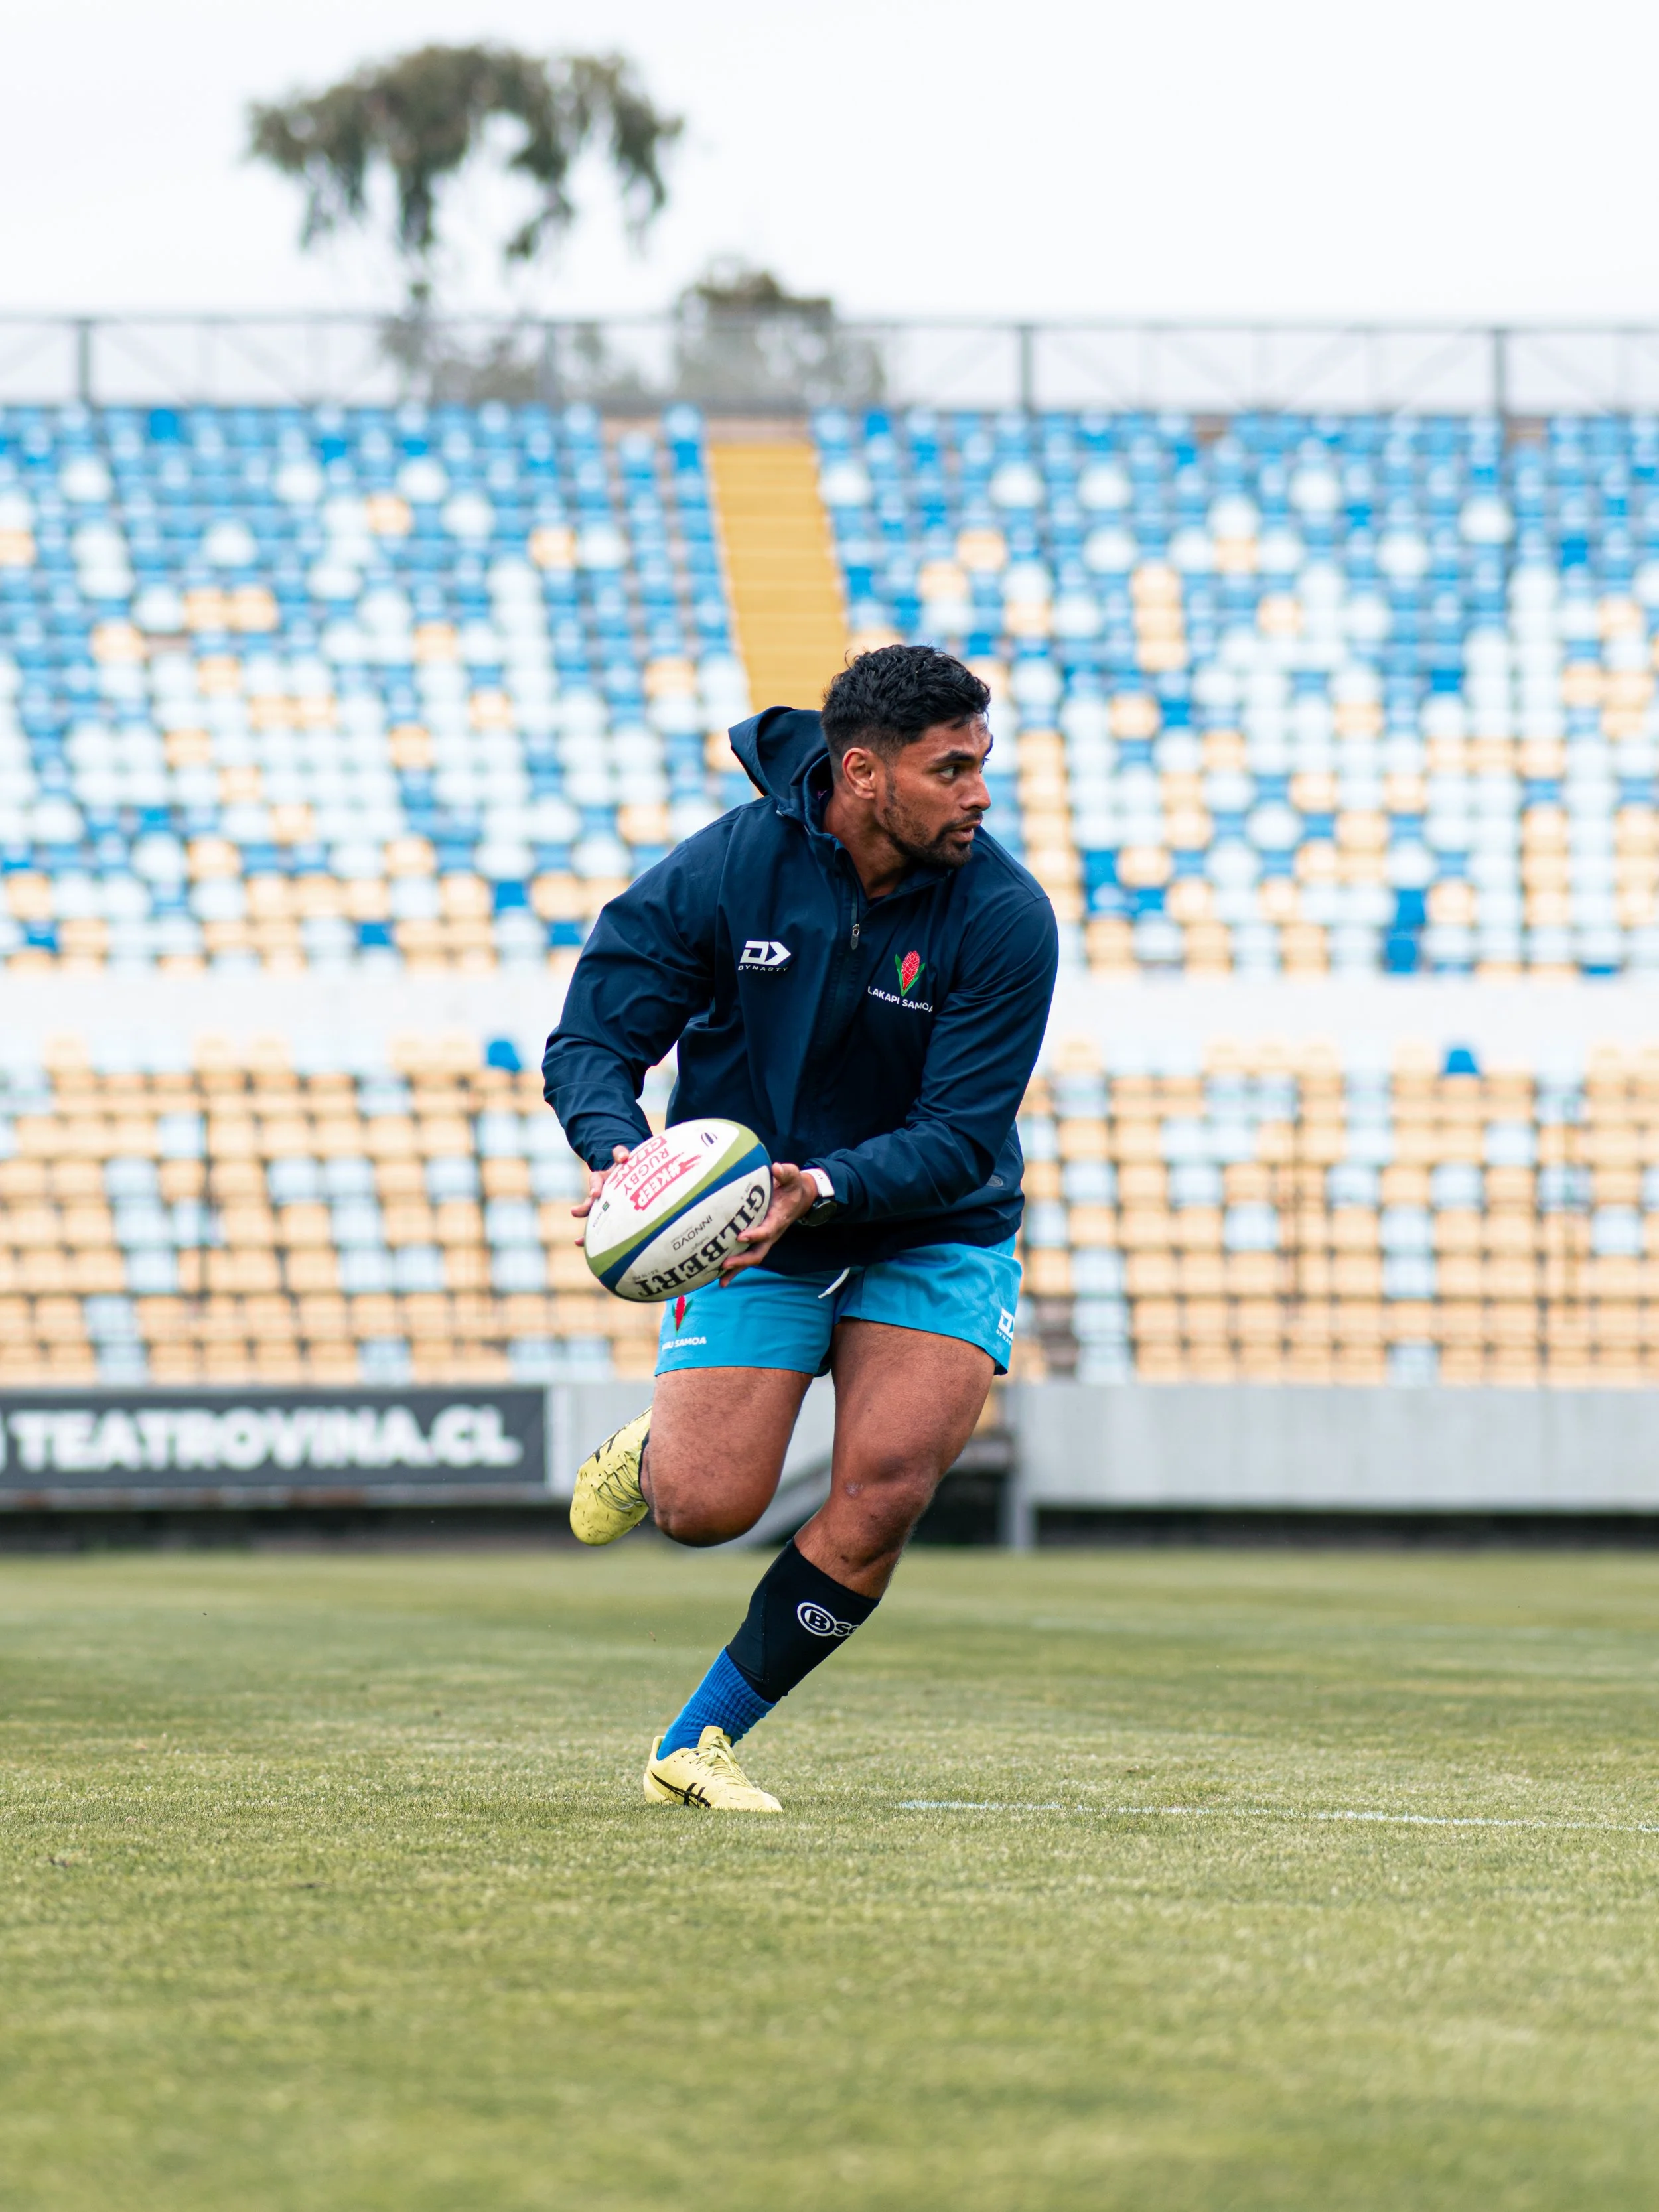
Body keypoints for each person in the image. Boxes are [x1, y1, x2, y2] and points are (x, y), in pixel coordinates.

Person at [542, 643, 1058, 1811]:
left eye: (983, 763)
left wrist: (817, 1187)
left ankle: (696, 1745)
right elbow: (596, 1032)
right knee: (702, 1507)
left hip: (935, 1221)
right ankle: (659, 1449)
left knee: (885, 1488)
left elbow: (957, 1134)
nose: (980, 793)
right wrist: (623, 1156)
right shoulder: (734, 864)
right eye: (951, 770)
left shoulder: (1008, 915)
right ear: (862, 773)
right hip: (747, 1221)